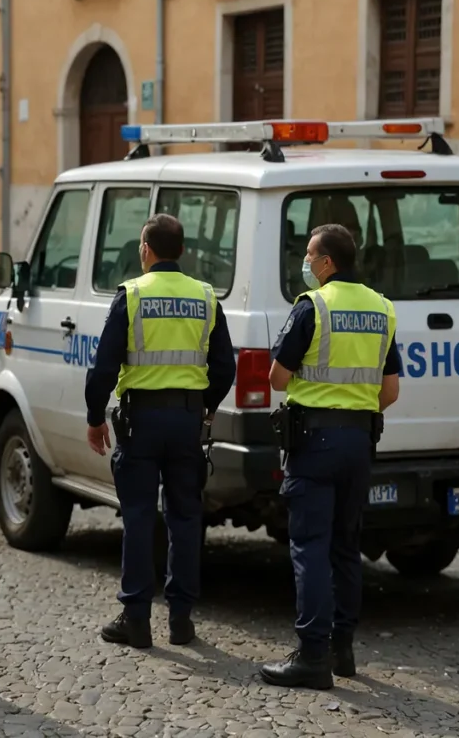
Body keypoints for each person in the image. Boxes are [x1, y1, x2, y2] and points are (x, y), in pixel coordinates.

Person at [84, 213, 236, 650]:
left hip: (140, 423)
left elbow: (104, 367)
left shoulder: (132, 295)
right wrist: (205, 409)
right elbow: (224, 366)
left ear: (145, 250)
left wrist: (95, 417)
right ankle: (182, 620)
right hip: (187, 422)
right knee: (185, 518)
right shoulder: (206, 297)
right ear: (182, 251)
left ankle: (136, 619)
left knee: (137, 517)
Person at [259, 222, 400, 690]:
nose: (305, 262)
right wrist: (354, 406)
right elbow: (391, 391)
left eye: (309, 255)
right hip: (359, 443)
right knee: (346, 547)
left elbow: (278, 379)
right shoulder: (382, 309)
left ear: (327, 263)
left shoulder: (313, 306)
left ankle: (312, 657)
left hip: (315, 443)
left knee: (310, 547)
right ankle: (343, 651)